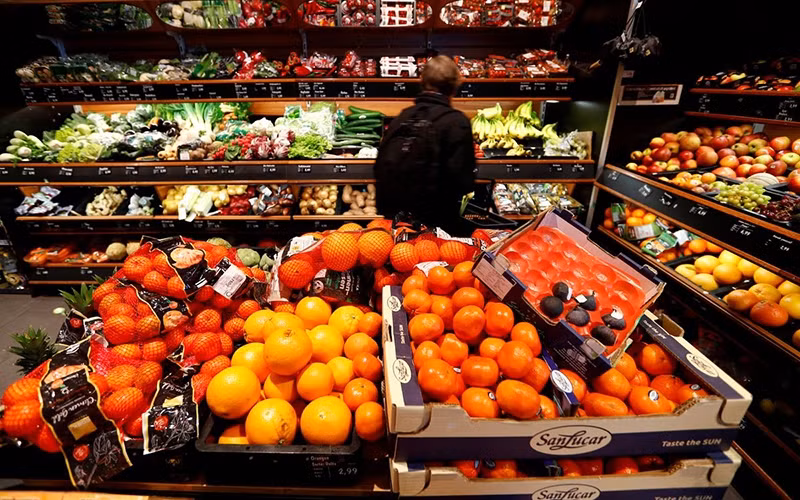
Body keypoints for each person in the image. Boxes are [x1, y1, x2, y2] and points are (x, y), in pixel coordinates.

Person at [374, 55, 476, 233]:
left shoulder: (402, 118)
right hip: (437, 226)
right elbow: (464, 181)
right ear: (455, 87)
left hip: (397, 224)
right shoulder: (457, 122)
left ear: (422, 81)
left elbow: (380, 167)